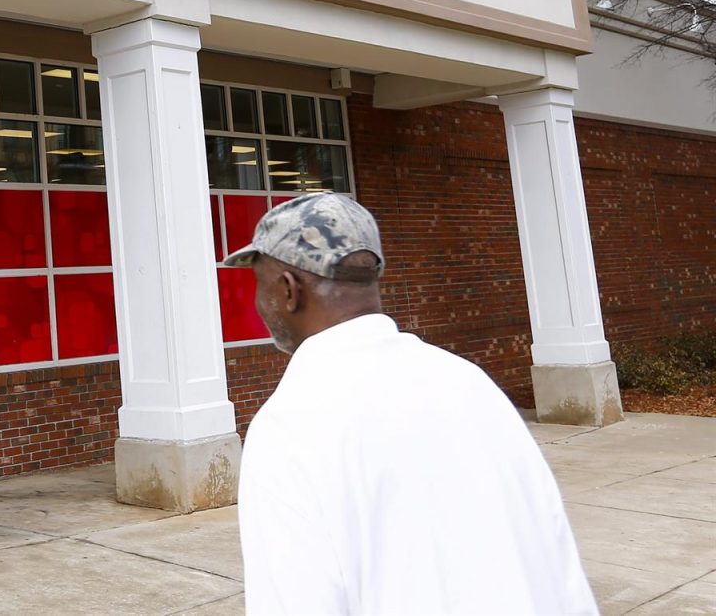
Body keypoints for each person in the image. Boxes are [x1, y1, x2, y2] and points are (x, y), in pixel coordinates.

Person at [224, 192, 599, 615]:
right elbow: (559, 561)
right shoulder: (471, 384)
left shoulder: (289, 426)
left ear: (289, 291)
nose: (259, 304)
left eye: (260, 285)